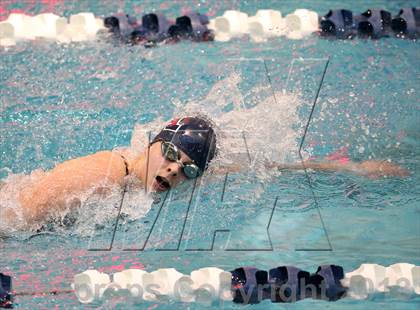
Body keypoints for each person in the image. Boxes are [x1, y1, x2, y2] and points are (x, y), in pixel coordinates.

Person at [3, 116, 409, 226]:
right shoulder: (103, 174)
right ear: (152, 143)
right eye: (169, 155)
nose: (173, 171)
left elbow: (265, 167)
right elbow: (20, 214)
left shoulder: (173, 175)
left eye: (188, 169)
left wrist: (353, 168)